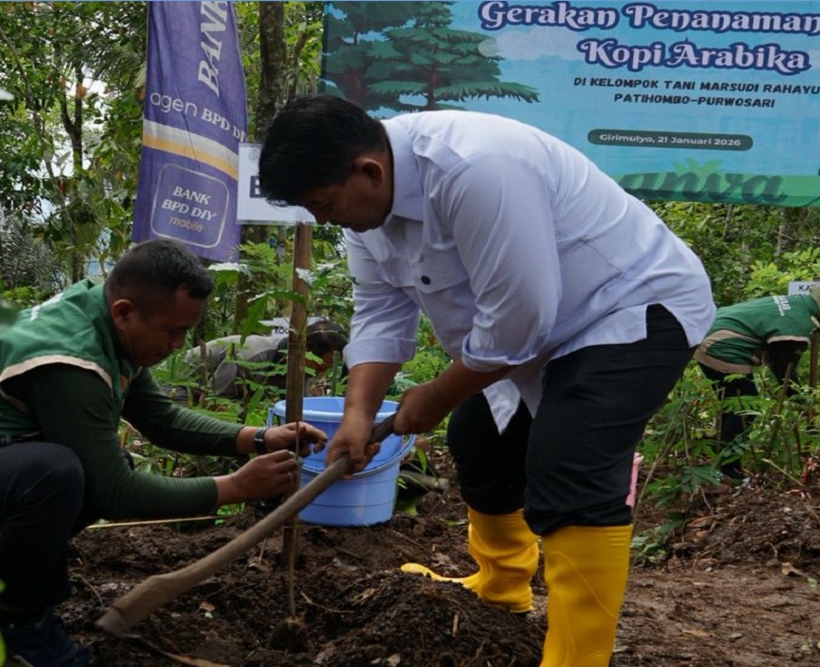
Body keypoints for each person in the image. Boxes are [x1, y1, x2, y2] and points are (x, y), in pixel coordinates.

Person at [257, 94, 715, 666]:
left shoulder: (475, 167)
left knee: (570, 463)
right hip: (529, 334)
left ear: (368, 171)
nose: (326, 220)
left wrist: (437, 394)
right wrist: (357, 415)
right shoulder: (365, 206)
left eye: (324, 205)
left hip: (627, 308)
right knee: (480, 439)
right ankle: (502, 583)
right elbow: (380, 310)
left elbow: (521, 318)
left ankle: (578, 657)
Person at [0, 239, 327, 667]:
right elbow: (116, 496)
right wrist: (235, 487)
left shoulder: (103, 320)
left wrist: (256, 438)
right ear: (124, 312)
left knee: (85, 468)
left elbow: (161, 419)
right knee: (57, 473)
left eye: (185, 332)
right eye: (171, 331)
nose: (178, 344)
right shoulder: (70, 360)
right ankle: (19, 620)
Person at [694, 287, 820, 479]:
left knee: (734, 405)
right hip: (721, 345)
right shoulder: (796, 327)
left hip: (708, 331)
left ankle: (723, 465)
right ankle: (729, 470)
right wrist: (801, 403)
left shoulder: (795, 303)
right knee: (746, 407)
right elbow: (783, 371)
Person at [176, 320, 348, 403]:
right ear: (305, 351)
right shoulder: (251, 356)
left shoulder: (296, 369)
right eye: (321, 366)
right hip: (176, 386)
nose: (321, 373)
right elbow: (212, 401)